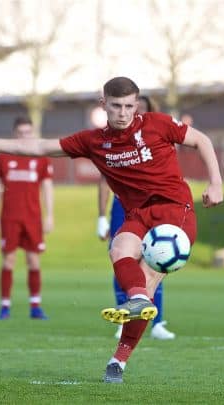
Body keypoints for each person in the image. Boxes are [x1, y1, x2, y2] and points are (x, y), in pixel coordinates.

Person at [0, 77, 224, 383]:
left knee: (149, 277)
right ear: (104, 105)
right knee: (118, 250)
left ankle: (119, 359)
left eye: (129, 106)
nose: (123, 112)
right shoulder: (93, 141)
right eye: (116, 106)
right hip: (138, 214)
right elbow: (41, 146)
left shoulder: (158, 124)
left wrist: (215, 182)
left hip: (175, 211)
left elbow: (201, 140)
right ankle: (137, 299)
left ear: (136, 105)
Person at [97, 95, 176, 340]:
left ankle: (157, 320)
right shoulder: (114, 141)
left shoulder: (158, 138)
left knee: (156, 259)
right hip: (123, 208)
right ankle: (124, 316)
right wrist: (101, 216)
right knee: (123, 261)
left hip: (154, 209)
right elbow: (104, 180)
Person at [0, 116, 54, 320]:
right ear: (15, 135)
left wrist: (50, 215)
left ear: (33, 133)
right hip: (9, 217)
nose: (25, 136)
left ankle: (35, 306)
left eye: (28, 132)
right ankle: (5, 306)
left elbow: (47, 187)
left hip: (33, 217)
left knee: (34, 261)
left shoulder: (41, 158)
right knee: (8, 260)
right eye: (21, 133)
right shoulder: (2, 158)